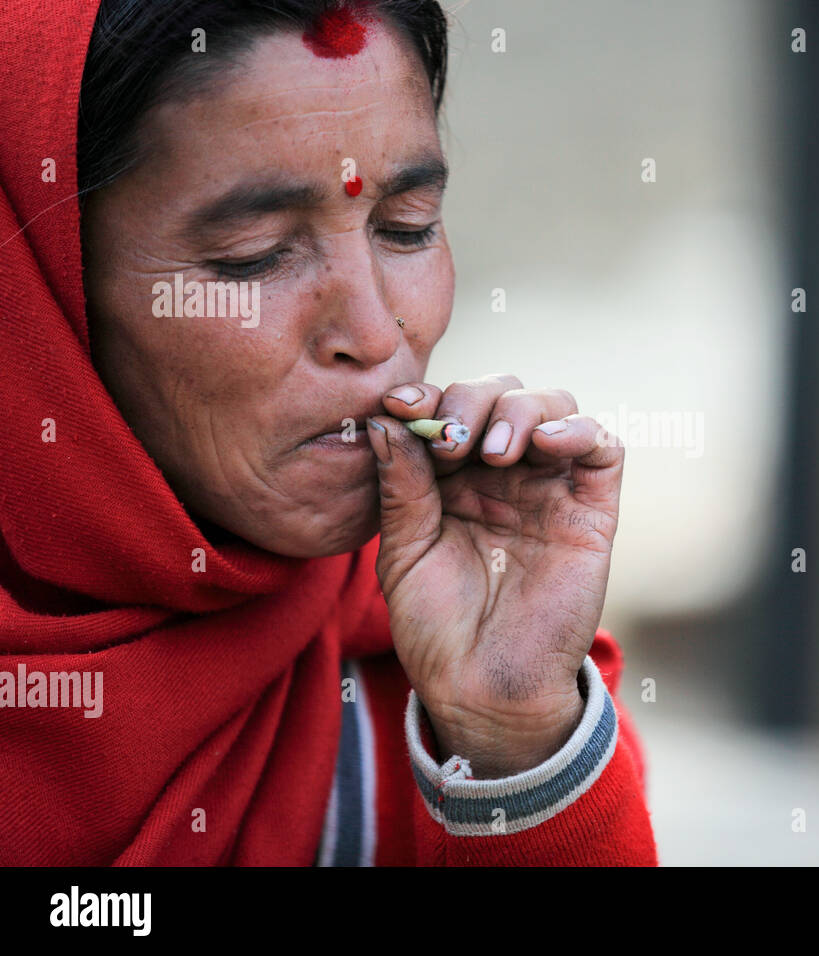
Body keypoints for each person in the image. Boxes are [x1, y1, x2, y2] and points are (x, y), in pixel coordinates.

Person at [0, 0, 658, 865]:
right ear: (44, 287)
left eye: (407, 228)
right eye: (254, 253)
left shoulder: (435, 689)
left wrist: (513, 743)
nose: (377, 331)